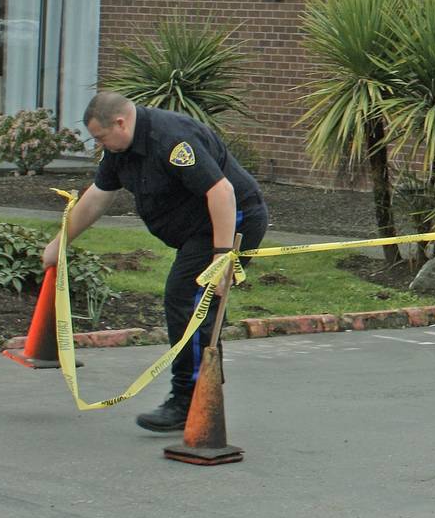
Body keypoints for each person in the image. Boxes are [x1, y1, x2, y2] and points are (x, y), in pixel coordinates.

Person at [43, 92, 268, 432]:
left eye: (101, 137)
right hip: (198, 228)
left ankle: (187, 399)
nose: (100, 145)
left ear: (120, 122)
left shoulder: (172, 140)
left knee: (185, 299)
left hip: (230, 221)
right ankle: (201, 392)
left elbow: (221, 192)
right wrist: (59, 243)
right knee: (196, 306)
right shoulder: (120, 150)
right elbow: (95, 199)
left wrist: (223, 258)